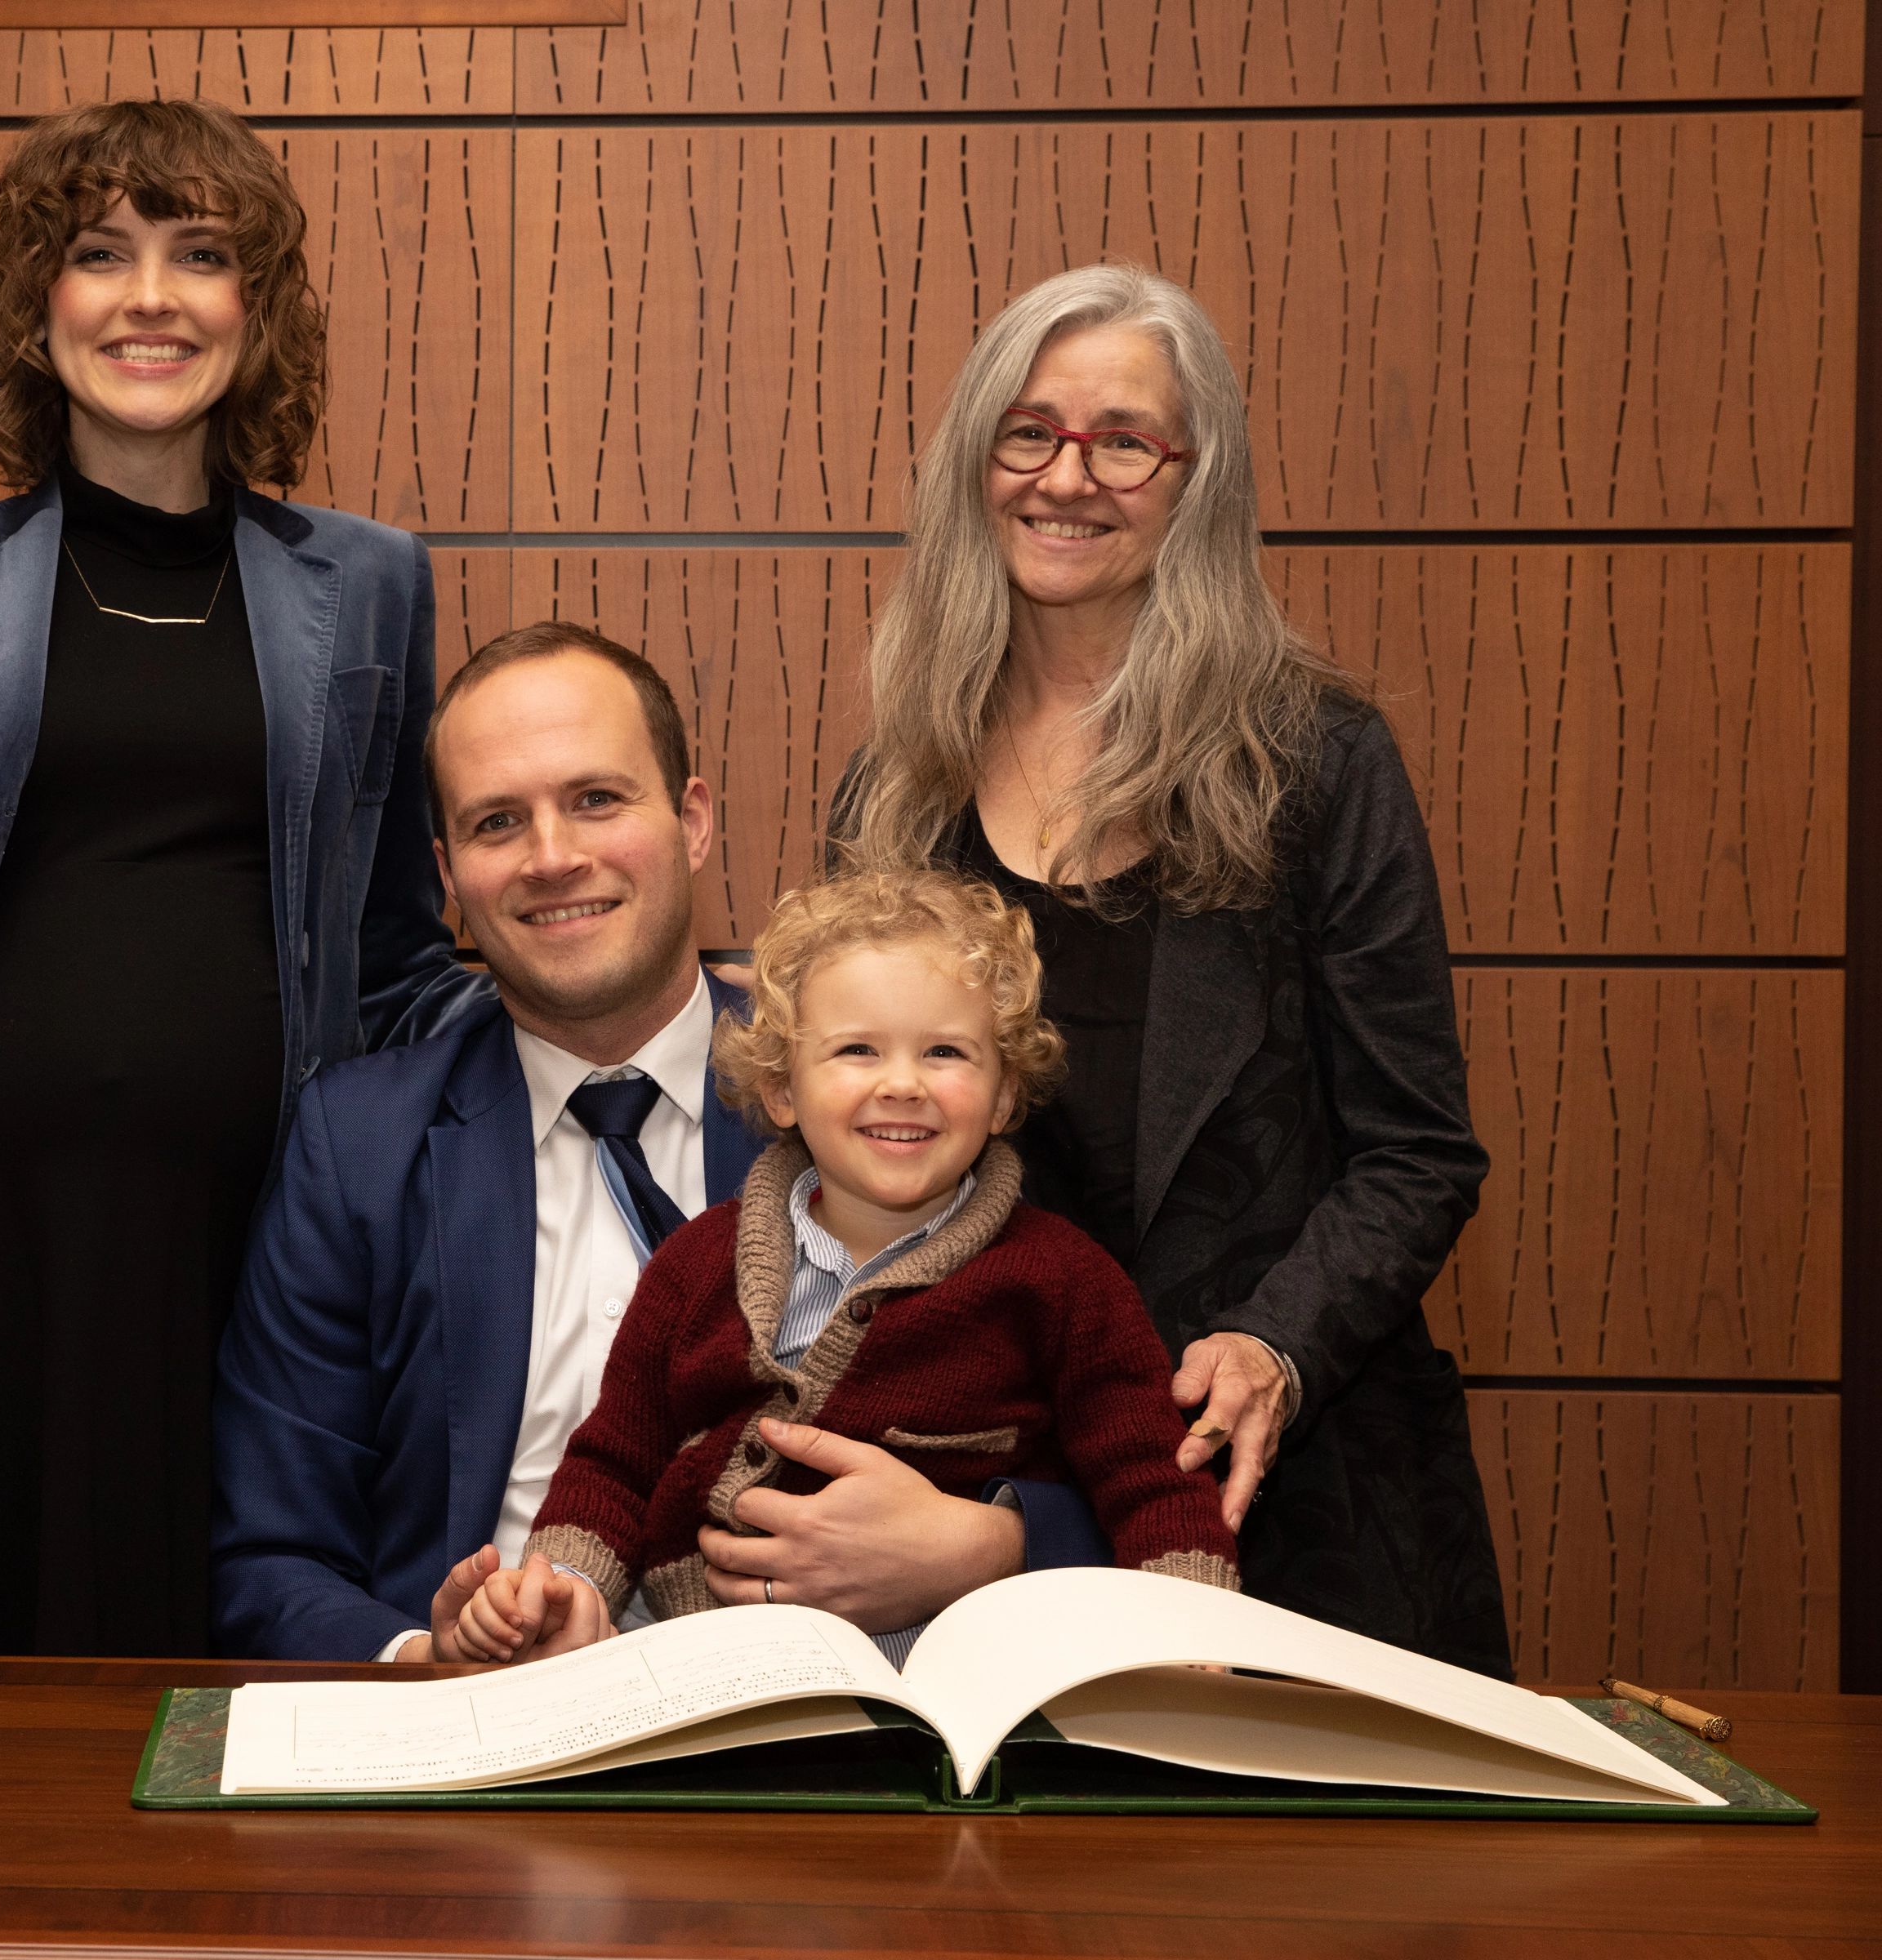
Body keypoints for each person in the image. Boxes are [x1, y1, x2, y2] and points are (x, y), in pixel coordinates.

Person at [0, 98, 475, 1657]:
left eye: (202, 256)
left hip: (260, 1269)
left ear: (257, 307)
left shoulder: (371, 583)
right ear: (35, 303)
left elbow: (399, 954)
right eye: (101, 254)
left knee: (231, 1696)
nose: (150, 299)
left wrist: (636, 1030)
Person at [836, 261, 1510, 1675]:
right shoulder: (897, 793)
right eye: (1029, 432)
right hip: (986, 1513)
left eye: (1124, 441)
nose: (1066, 477)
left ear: (1199, 482)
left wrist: (1276, 1348)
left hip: (1293, 1503)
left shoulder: (1317, 763)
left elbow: (1417, 1154)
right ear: (975, 464)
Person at [212, 623, 1109, 1664]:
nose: (555, 857)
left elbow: (1117, 1441)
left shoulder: (880, 1091)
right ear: (449, 873)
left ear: (692, 821)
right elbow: (267, 1560)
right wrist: (431, 1660)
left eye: (597, 799)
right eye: (498, 822)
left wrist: (989, 1545)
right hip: (482, 1718)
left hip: (829, 1705)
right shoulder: (358, 1146)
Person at [444, 870, 1239, 1665]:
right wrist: (562, 1586)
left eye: (946, 1052)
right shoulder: (693, 1266)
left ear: (1002, 1097)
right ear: (782, 1088)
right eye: (858, 1050)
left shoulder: (1065, 1283)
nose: (903, 1084)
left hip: (958, 1674)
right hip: (701, 1664)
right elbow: (614, 1464)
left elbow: (1153, 1484)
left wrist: (1198, 1639)